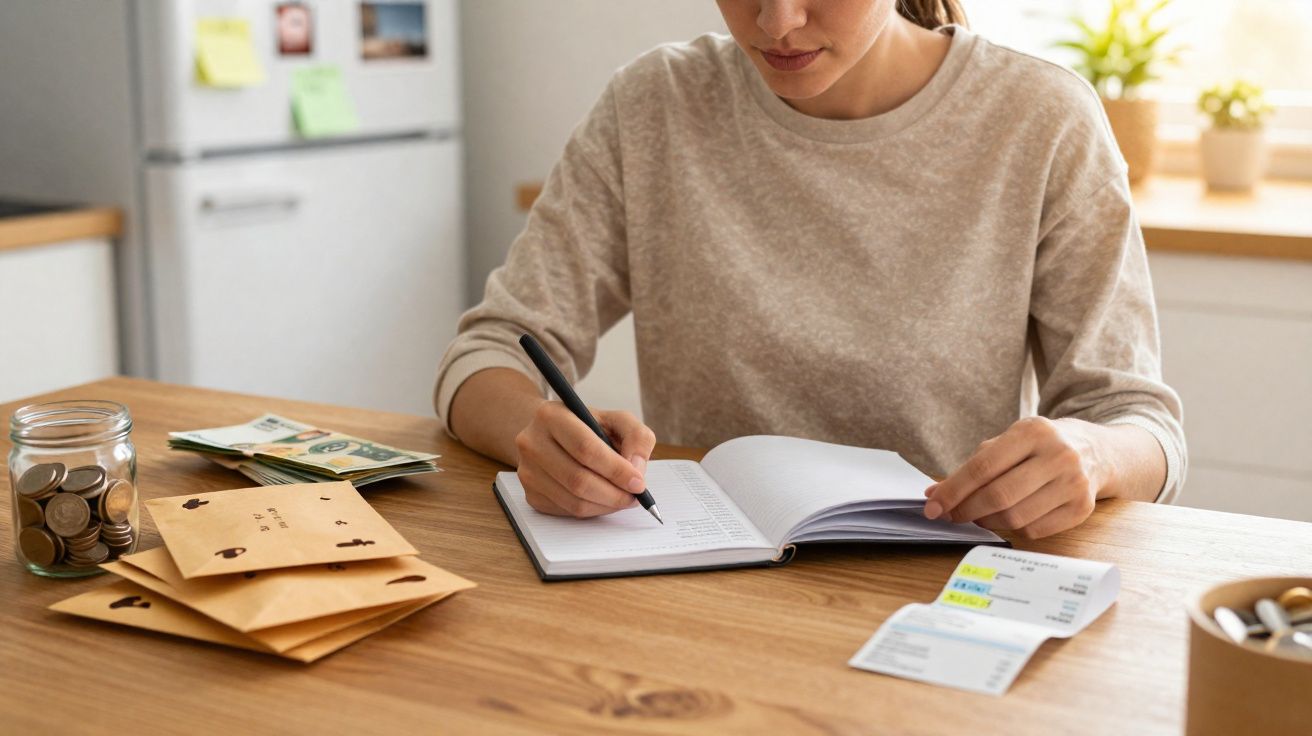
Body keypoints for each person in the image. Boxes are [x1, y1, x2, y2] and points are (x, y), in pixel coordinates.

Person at [434, 0, 1186, 540]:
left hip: (939, 589)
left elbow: (1141, 426)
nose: (778, 22)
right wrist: (535, 432)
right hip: (700, 581)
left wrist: (1091, 455)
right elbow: (491, 349)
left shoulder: (1040, 118)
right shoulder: (655, 106)